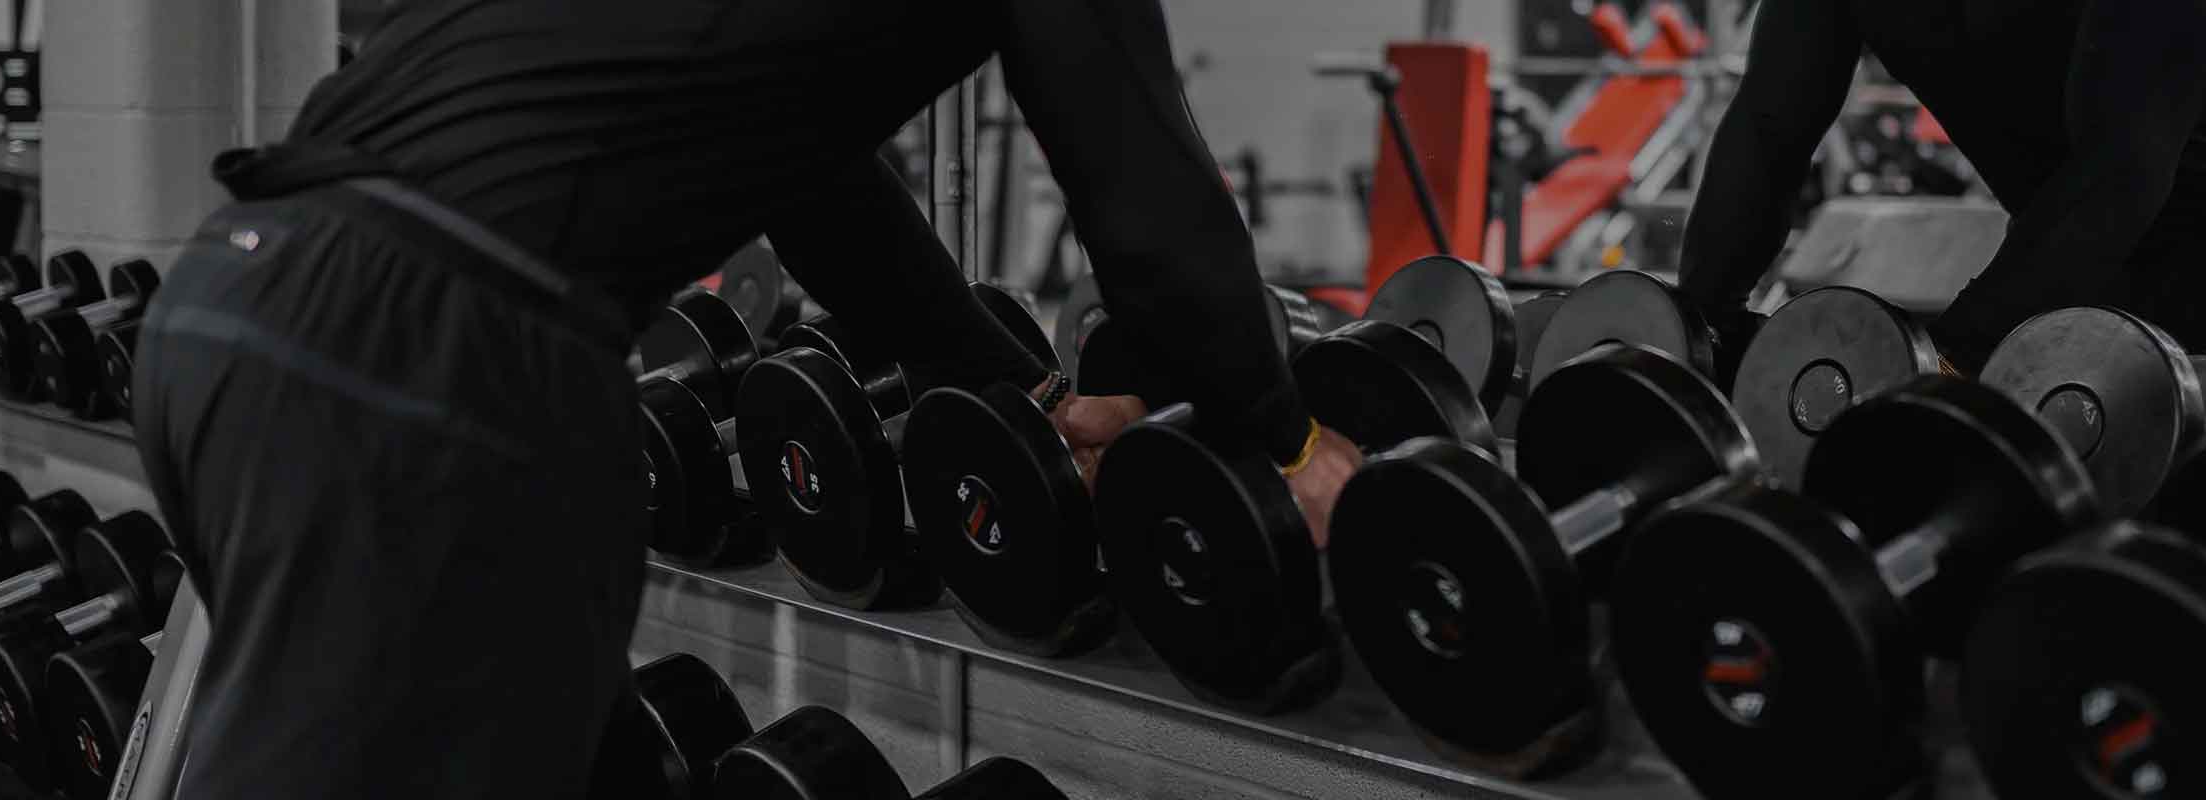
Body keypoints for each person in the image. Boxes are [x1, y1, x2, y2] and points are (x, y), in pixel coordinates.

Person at [128, 1, 1355, 796]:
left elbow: (826, 201)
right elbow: (1149, 207)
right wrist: (1286, 438)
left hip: (228, 305)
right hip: (431, 354)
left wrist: (1011, 391)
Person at [1678, 0, 2206, 372]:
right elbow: (1768, 133)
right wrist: (1696, 328)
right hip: (2065, 261)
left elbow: (2121, 167)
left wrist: (1956, 354)